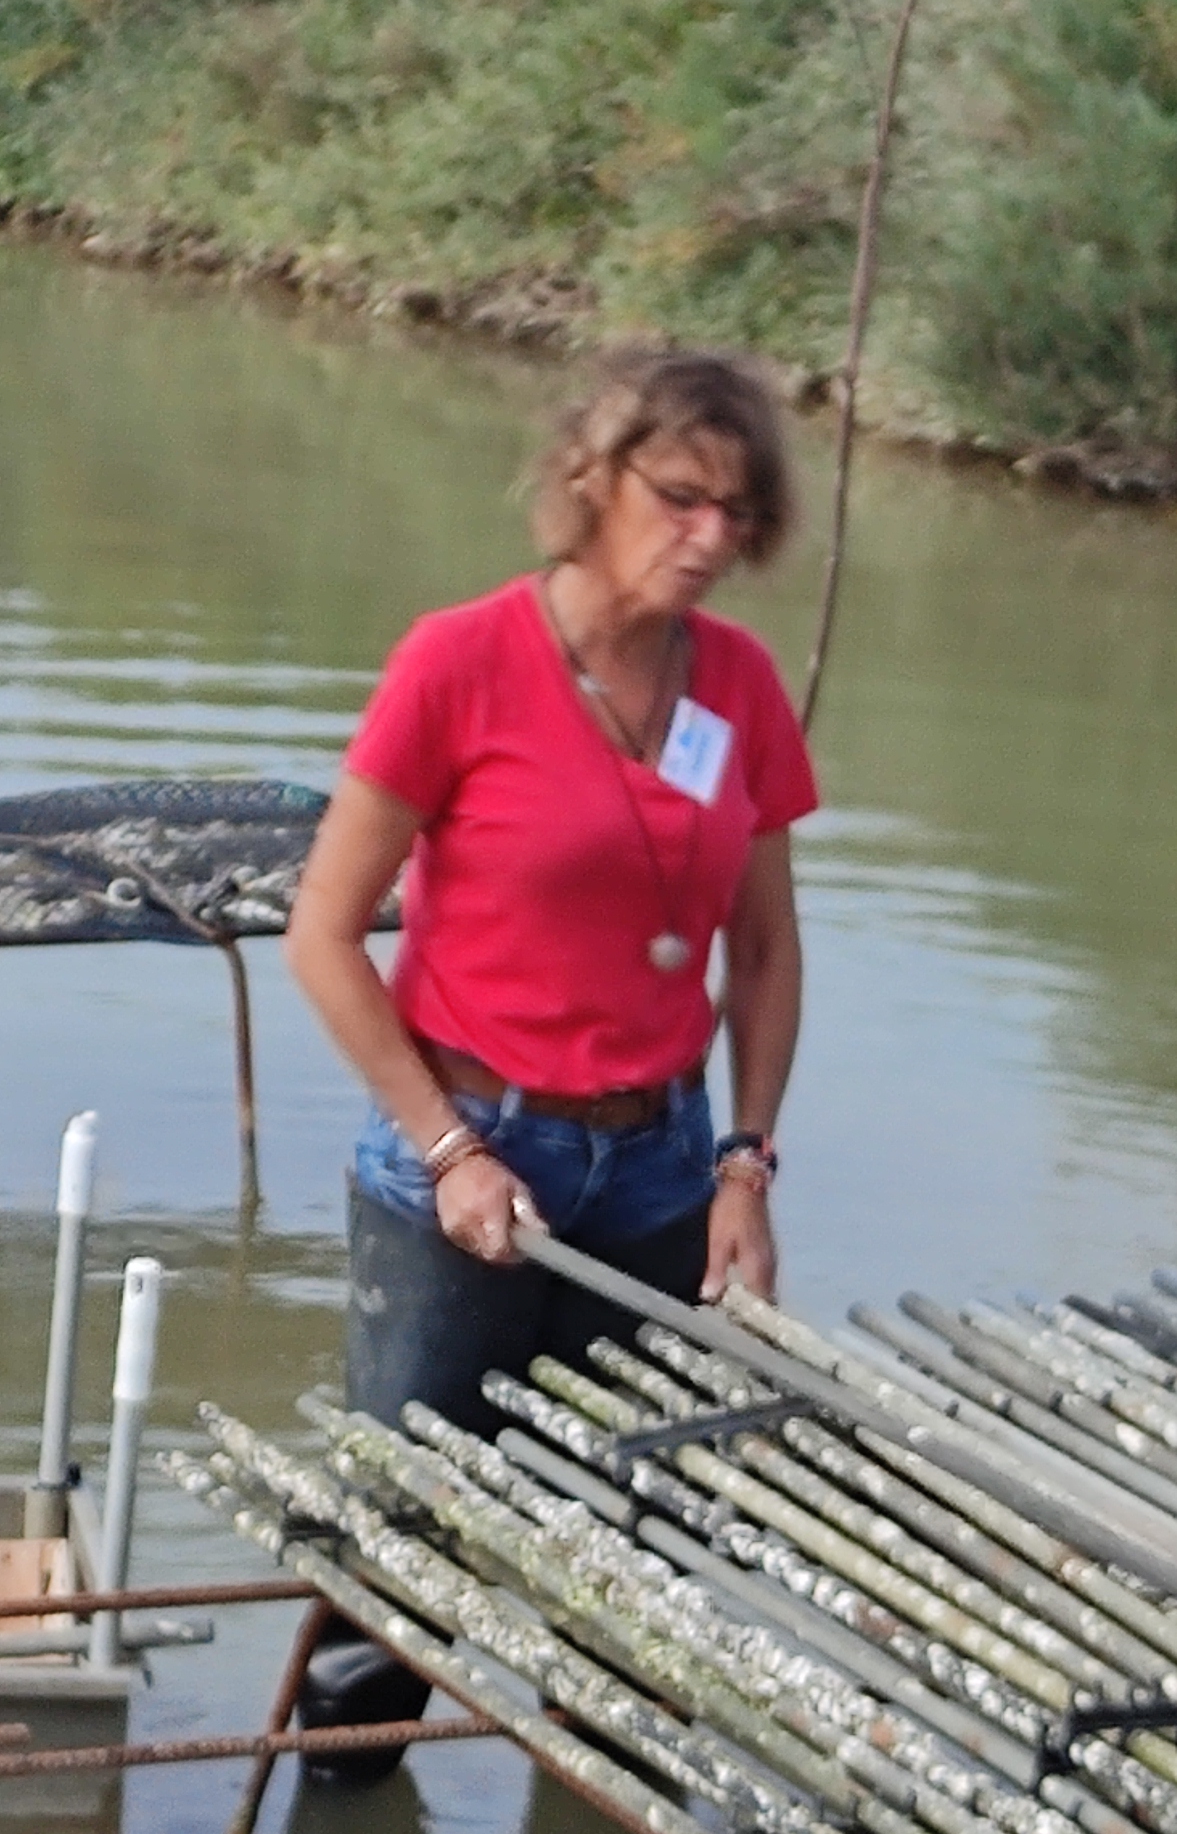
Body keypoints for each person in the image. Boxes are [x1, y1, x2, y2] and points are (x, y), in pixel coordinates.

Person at [283, 347, 814, 1447]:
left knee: (619, 1510)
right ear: (591, 480)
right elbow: (323, 937)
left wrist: (744, 1170)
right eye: (678, 499)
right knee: (416, 1511)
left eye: (736, 511)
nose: (710, 539)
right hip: (469, 1140)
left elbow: (762, 952)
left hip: (665, 1165)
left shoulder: (741, 683)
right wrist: (447, 1152)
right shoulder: (457, 662)